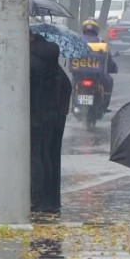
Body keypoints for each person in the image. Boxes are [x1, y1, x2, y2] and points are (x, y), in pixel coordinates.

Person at [30, 32, 72, 213]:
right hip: (55, 117)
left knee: (36, 156)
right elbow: (67, 87)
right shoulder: (53, 63)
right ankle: (51, 199)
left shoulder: (31, 61)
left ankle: (38, 198)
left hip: (37, 116)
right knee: (50, 156)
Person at [80, 17, 117, 111]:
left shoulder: (77, 40)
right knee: (109, 81)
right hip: (97, 76)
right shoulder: (101, 42)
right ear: (96, 29)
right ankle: (105, 106)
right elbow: (108, 59)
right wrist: (113, 68)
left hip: (79, 75)